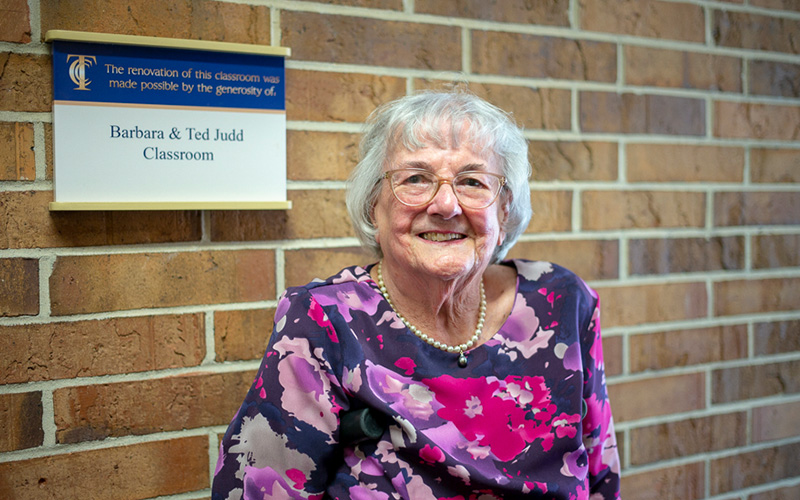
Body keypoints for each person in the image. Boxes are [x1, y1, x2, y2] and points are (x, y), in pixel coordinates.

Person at [212, 91, 621, 499]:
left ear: (505, 208)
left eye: (472, 181)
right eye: (415, 179)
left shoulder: (563, 302)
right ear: (375, 206)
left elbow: (602, 476)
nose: (445, 204)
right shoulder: (324, 322)